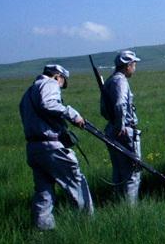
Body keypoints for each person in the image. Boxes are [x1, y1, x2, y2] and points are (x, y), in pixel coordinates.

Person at [19, 64, 93, 230]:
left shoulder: (27, 93)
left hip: (34, 148)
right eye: (62, 83)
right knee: (76, 183)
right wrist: (73, 115)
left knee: (44, 192)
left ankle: (43, 231)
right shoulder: (50, 84)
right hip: (52, 147)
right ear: (58, 76)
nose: (60, 86)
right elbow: (48, 104)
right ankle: (87, 225)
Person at [100, 50, 142, 204]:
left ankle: (119, 205)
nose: (135, 68)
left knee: (119, 171)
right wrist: (120, 124)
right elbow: (120, 104)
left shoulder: (110, 80)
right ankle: (130, 210)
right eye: (134, 64)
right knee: (132, 173)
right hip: (124, 131)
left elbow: (103, 110)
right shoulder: (120, 81)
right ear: (128, 65)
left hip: (112, 128)